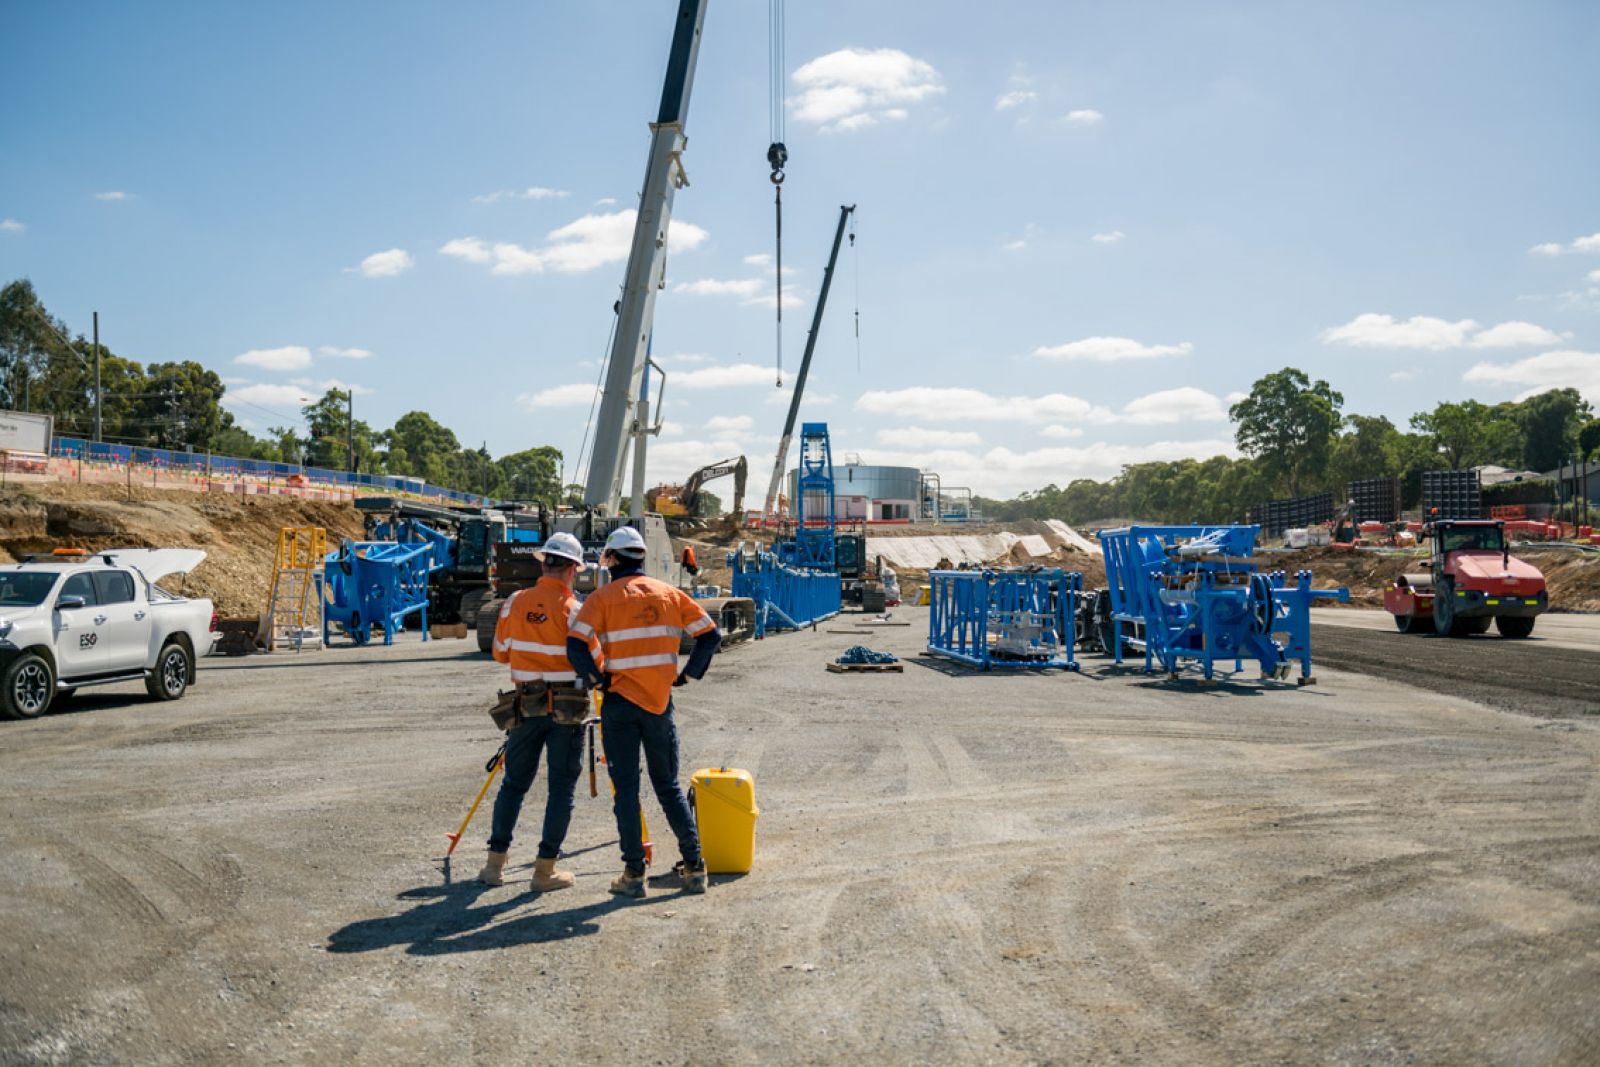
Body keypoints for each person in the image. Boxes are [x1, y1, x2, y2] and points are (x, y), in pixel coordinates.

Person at [567, 526, 721, 898]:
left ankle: (634, 875)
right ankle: (695, 867)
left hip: (620, 702)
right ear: (641, 557)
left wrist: (596, 679)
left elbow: (575, 645)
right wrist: (688, 675)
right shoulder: (670, 594)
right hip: (659, 703)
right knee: (668, 786)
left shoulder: (602, 598)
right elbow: (710, 635)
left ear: (613, 559)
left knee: (627, 792)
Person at [479, 531, 591, 892]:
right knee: (560, 789)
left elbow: (499, 652)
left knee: (513, 784)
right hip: (566, 710)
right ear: (574, 568)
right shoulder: (575, 611)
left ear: (543, 562)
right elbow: (595, 662)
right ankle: (544, 872)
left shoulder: (513, 602)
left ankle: (494, 866)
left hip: (525, 705)